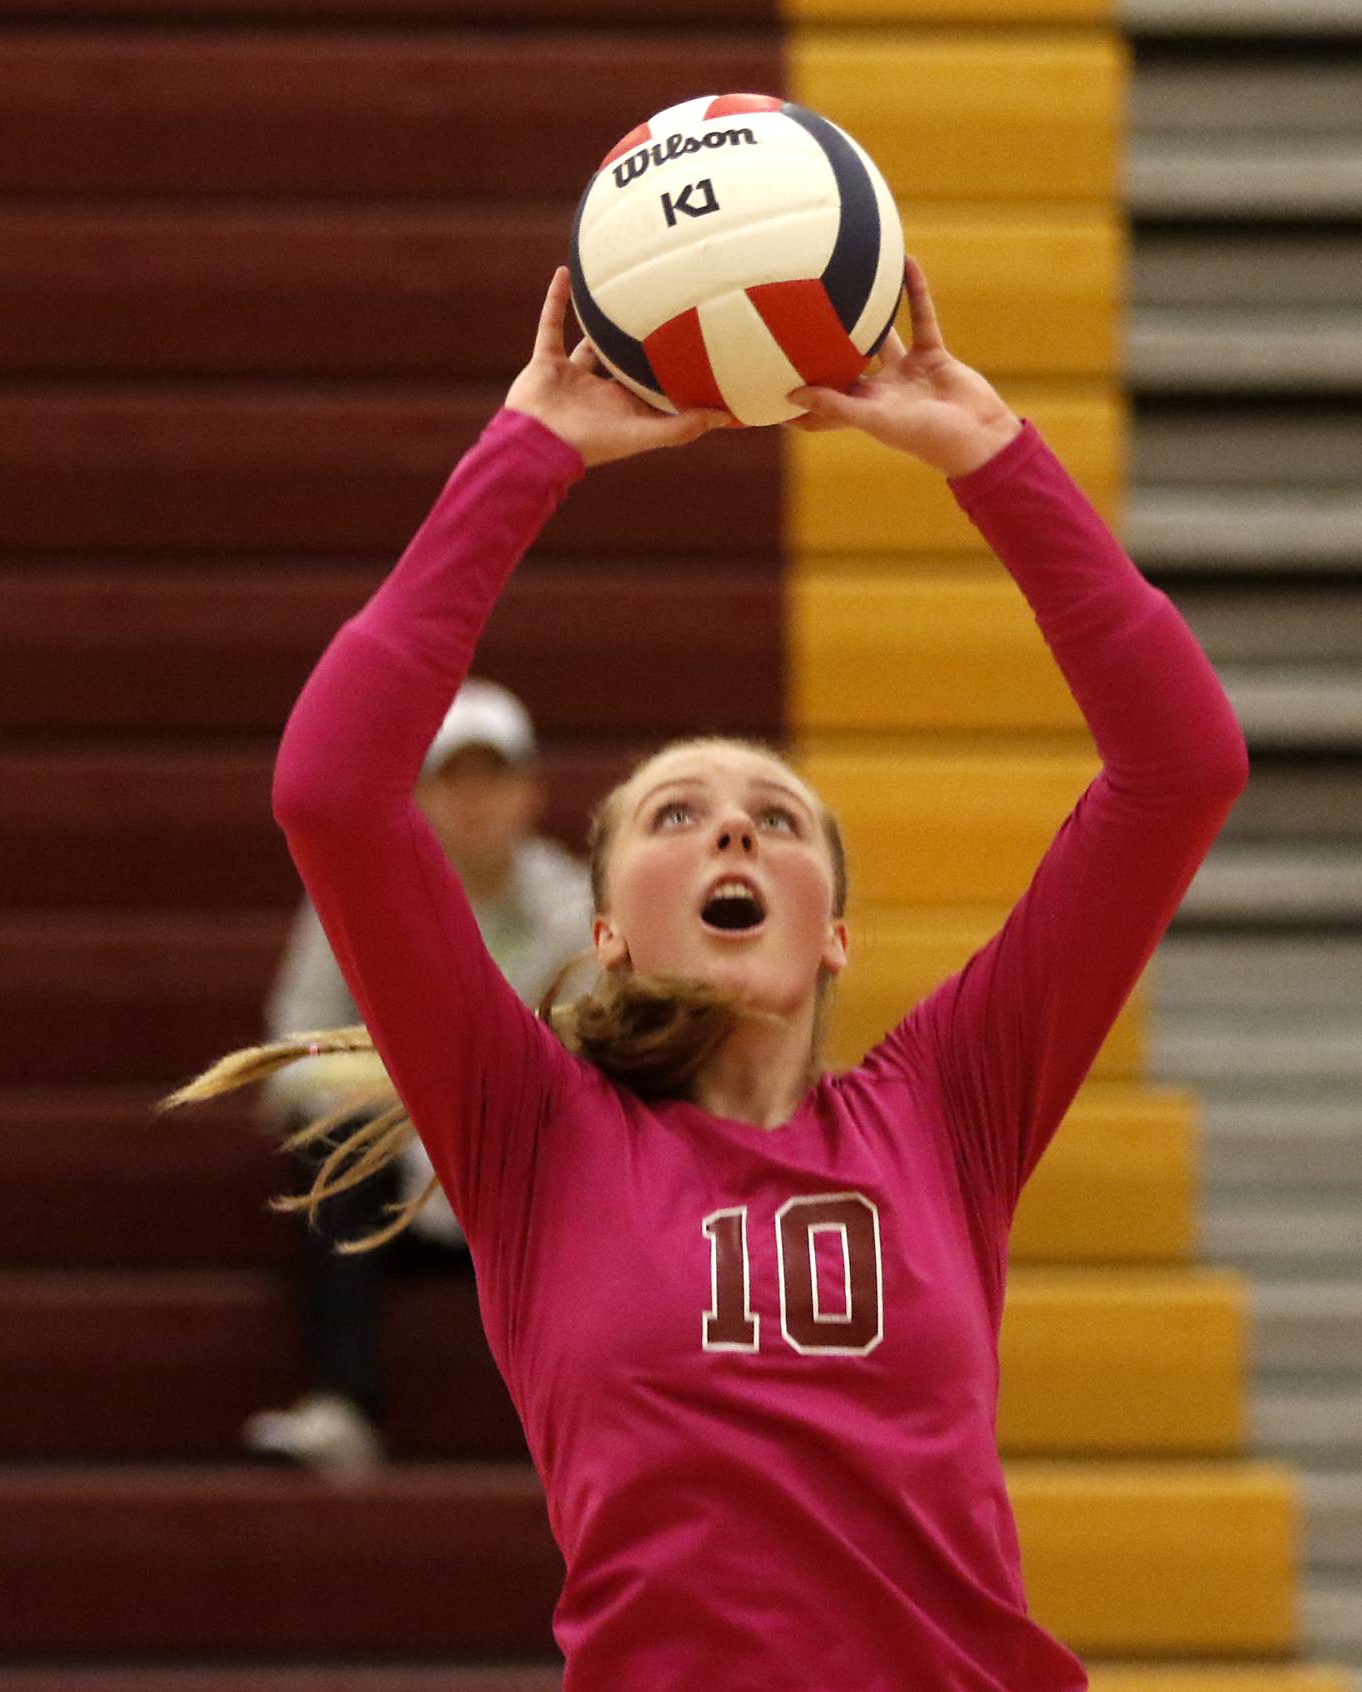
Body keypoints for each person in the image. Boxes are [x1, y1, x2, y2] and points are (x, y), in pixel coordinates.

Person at [171, 260, 1248, 1689]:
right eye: (675, 816)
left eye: (777, 818)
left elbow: (1180, 772)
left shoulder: (944, 1112)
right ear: (603, 928)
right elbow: (332, 791)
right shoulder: (535, 1138)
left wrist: (991, 457)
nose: (733, 821)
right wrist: (528, 454)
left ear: (836, 929)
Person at [244, 679, 593, 1474]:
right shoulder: (355, 893)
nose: (474, 801)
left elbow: (603, 1067)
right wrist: (409, 1110)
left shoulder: (582, 911)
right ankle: (343, 1407)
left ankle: (595, 1425)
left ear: (531, 791)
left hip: (525, 1178)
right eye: (451, 778)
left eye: (493, 777)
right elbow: (288, 1060)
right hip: (395, 1171)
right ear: (418, 795)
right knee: (329, 1144)